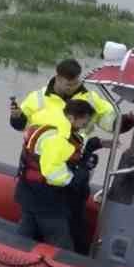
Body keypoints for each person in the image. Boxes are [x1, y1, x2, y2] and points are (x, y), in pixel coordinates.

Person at [9, 58, 132, 249]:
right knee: (56, 232)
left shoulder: (87, 100)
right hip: (49, 184)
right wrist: (76, 177)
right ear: (57, 78)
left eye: (76, 82)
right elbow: (22, 125)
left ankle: (18, 252)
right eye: (69, 83)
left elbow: (108, 120)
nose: (74, 87)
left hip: (53, 176)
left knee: (33, 225)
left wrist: (122, 124)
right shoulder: (40, 102)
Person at [14, 99, 98, 253]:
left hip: (29, 192)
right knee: (61, 242)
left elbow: (68, 155)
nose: (85, 127)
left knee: (27, 230)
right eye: (84, 123)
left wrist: (88, 152)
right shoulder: (58, 138)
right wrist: (75, 178)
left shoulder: (57, 128)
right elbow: (52, 171)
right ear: (72, 118)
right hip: (46, 200)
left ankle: (13, 254)